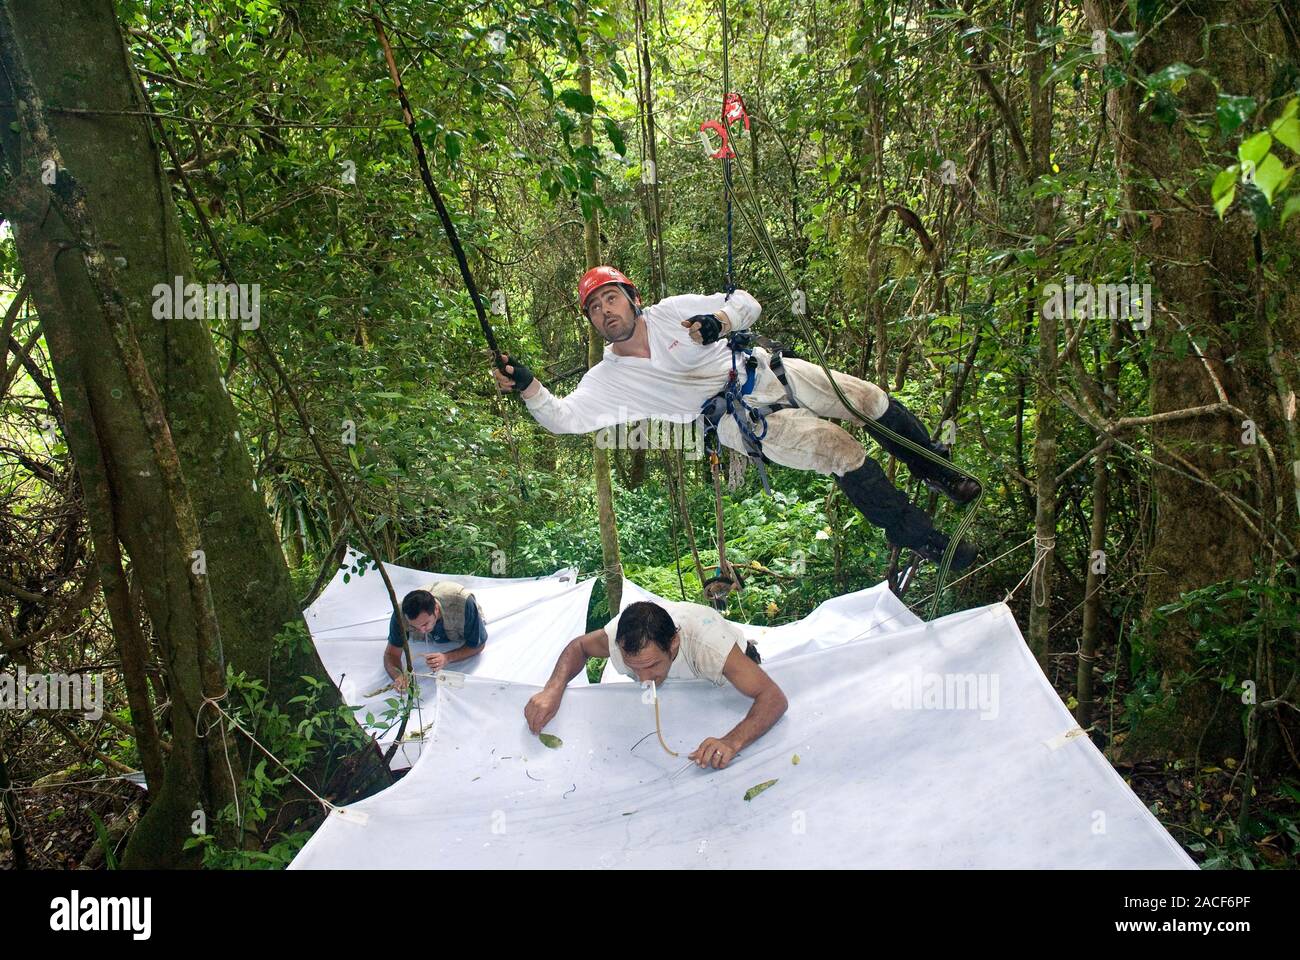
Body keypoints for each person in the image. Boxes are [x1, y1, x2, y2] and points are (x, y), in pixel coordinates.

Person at [491, 265, 979, 568]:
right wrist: (530, 386)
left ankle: (937, 471)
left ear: (632, 298)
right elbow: (562, 418)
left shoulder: (670, 313)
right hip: (737, 419)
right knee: (839, 448)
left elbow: (746, 302)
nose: (605, 310)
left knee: (867, 399)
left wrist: (719, 322)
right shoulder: (608, 378)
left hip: (764, 370)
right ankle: (926, 540)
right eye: (595, 308)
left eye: (610, 297)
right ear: (594, 323)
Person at [523, 599, 787, 769]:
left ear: (673, 644)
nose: (644, 679)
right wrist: (553, 689)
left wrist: (731, 742)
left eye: (651, 666)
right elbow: (579, 646)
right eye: (633, 668)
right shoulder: (617, 636)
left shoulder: (709, 647)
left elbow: (773, 697)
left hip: (721, 677)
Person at [383, 582, 487, 692]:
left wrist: (447, 657)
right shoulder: (399, 615)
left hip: (456, 610)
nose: (422, 631)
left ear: (436, 609)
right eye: (415, 627)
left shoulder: (463, 604)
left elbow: (478, 645)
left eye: (425, 624)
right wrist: (398, 676)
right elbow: (391, 654)